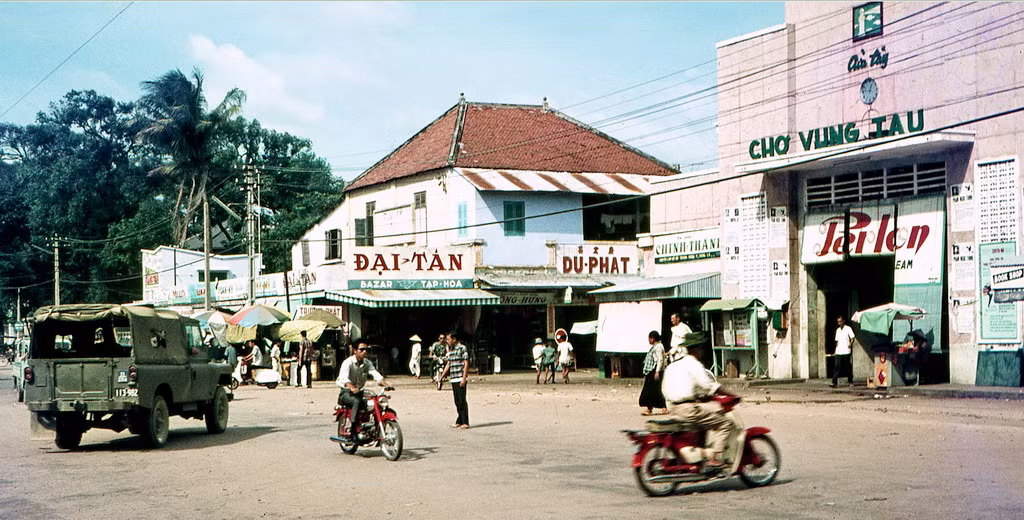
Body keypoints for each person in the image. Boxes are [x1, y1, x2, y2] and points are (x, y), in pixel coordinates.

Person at [661, 341, 736, 471]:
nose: (703, 352)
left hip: (672, 407)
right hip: (687, 409)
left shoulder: (673, 365)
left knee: (704, 417)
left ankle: (700, 456)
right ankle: (714, 458)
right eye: (701, 349)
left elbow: (670, 389)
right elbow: (709, 386)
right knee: (725, 423)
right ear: (697, 350)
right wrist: (732, 394)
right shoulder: (694, 365)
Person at [335, 341, 390, 441]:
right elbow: (344, 379)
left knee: (376, 401)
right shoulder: (348, 363)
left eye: (367, 350)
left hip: (359, 391)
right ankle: (353, 430)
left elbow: (376, 375)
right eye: (361, 349)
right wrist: (352, 388)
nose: (365, 352)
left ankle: (371, 427)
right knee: (356, 401)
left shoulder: (367, 363)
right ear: (354, 350)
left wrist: (386, 385)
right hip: (346, 392)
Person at [438, 332, 470, 429]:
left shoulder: (462, 348)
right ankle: (459, 420)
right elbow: (449, 364)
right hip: (453, 378)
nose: (447, 341)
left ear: (454, 339)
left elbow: (466, 363)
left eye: (448, 339)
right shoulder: (450, 350)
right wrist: (441, 377)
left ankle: (465, 421)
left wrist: (464, 378)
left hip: (460, 377)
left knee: (462, 401)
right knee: (457, 401)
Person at [639, 330, 668, 416]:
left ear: (653, 338)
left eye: (650, 338)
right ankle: (650, 408)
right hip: (652, 370)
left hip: (655, 370)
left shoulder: (658, 347)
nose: (648, 340)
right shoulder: (656, 346)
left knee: (654, 390)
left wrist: (657, 372)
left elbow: (660, 360)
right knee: (651, 390)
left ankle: (662, 408)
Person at [832, 315, 855, 388]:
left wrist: (850, 344)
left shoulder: (848, 329)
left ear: (843, 321)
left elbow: (852, 338)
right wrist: (835, 351)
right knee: (837, 366)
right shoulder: (838, 330)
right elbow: (837, 341)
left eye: (840, 321)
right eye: (838, 322)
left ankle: (850, 381)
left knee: (847, 366)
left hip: (846, 350)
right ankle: (834, 382)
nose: (839, 323)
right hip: (839, 350)